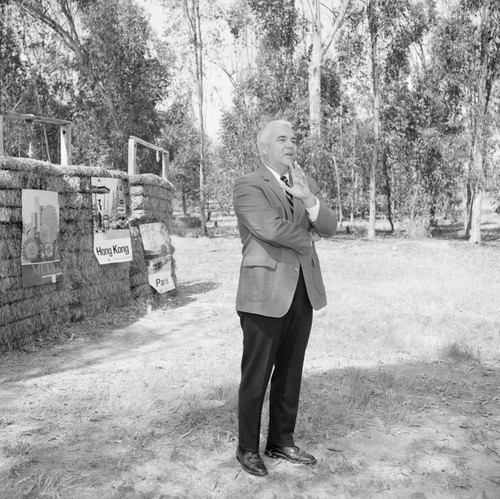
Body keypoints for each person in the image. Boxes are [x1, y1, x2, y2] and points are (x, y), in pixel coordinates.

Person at [233, 119, 337, 477]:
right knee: (257, 374)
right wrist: (309, 237)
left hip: (302, 291)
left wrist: (308, 199)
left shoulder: (304, 184)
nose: (291, 145)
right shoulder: (248, 185)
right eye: (282, 139)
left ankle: (280, 441)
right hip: (264, 295)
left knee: (290, 371)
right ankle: (247, 448)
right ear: (263, 147)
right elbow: (269, 228)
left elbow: (330, 226)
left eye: (293, 140)